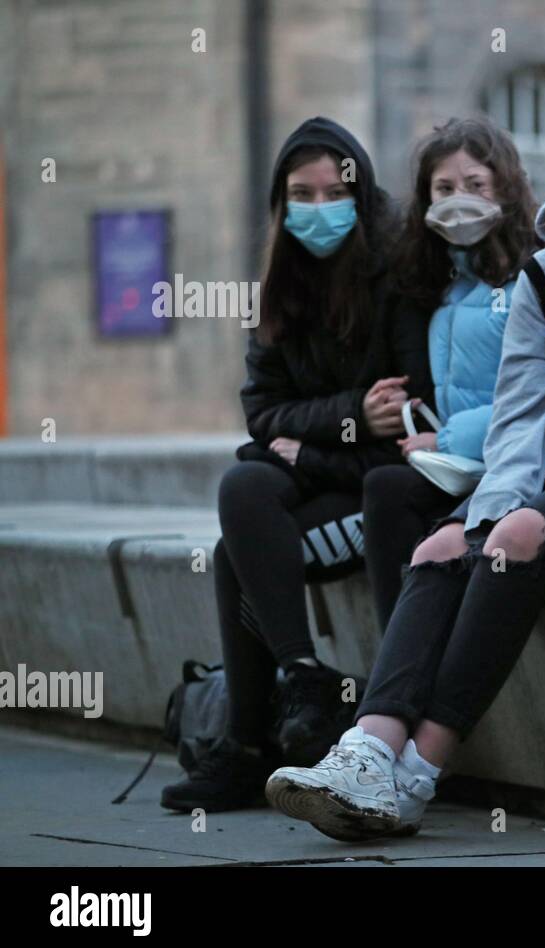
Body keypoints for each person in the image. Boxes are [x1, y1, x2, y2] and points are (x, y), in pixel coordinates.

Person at [265, 99, 545, 842]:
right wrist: (485, 509)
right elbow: (520, 415)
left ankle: (419, 774)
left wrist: (507, 515)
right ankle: (368, 749)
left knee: (514, 539)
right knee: (440, 545)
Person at [161, 118, 410, 813]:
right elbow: (263, 412)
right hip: (336, 469)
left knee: (235, 550)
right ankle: (299, 678)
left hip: (385, 492)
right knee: (243, 488)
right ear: (283, 202)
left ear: (360, 194)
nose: (319, 206)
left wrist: (319, 443)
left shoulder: (397, 280)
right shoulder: (279, 288)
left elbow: (406, 423)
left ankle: (248, 746)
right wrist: (348, 414)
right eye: (303, 193)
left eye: (335, 190)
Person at [362, 118, 539, 630]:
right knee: (386, 489)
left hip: (513, 462)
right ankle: (395, 648)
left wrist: (449, 438)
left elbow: (539, 395)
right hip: (456, 463)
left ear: (505, 190)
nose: (458, 198)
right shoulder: (439, 281)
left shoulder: (535, 274)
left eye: (475, 185)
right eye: (444, 188)